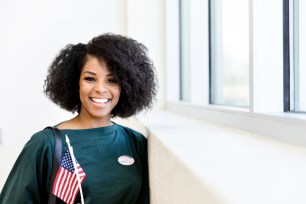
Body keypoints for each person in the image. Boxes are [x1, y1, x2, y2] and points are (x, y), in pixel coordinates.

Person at [0, 33, 157, 204]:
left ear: (126, 87)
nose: (100, 89)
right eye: (90, 78)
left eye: (112, 80)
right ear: (75, 83)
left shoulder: (136, 143)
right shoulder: (46, 144)